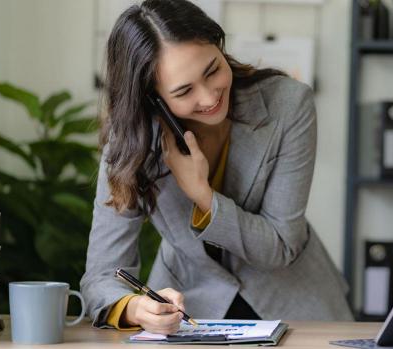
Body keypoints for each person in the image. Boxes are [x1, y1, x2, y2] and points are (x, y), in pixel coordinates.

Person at [80, 0, 353, 335]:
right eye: (183, 90)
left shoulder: (288, 105)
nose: (209, 97)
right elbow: (102, 276)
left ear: (219, 45)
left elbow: (282, 246)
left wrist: (204, 197)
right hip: (189, 314)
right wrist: (137, 307)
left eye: (212, 70)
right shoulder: (130, 143)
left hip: (296, 306)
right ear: (152, 97)